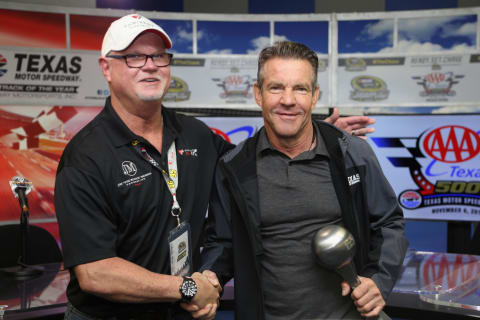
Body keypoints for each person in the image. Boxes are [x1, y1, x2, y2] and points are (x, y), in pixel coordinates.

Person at [54, 14, 376, 320]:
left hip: (183, 312)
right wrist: (189, 288)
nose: (150, 66)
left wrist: (318, 135)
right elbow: (95, 273)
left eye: (159, 56)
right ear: (106, 68)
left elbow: (254, 160)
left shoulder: (194, 134)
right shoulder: (86, 156)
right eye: (134, 57)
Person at [200, 41, 409, 320]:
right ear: (258, 94)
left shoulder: (351, 152)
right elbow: (221, 242)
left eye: (300, 88)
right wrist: (209, 277)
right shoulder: (234, 167)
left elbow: (388, 222)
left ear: (314, 96)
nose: (288, 100)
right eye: (276, 87)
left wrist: (378, 280)